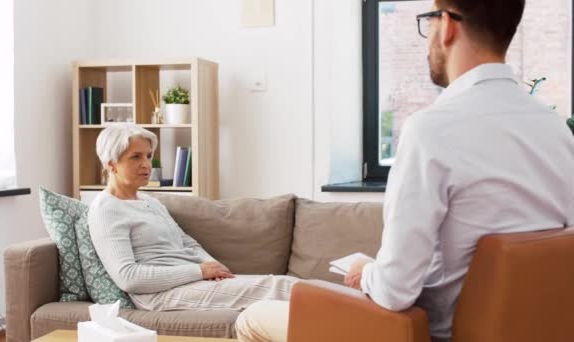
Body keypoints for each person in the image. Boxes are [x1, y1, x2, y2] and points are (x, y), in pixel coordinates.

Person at [235, 0, 574, 341]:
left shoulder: (432, 130)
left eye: (429, 22)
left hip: (428, 333)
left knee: (253, 317)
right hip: (534, 331)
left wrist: (365, 272)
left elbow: (396, 292)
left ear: (447, 26)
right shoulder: (556, 131)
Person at [88, 123, 297, 312]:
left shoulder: (150, 201)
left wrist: (213, 265)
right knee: (281, 288)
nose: (147, 164)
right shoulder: (106, 210)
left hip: (194, 281)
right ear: (111, 164)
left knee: (285, 286)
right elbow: (128, 278)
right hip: (159, 293)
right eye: (136, 157)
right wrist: (199, 271)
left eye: (149, 156)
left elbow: (186, 241)